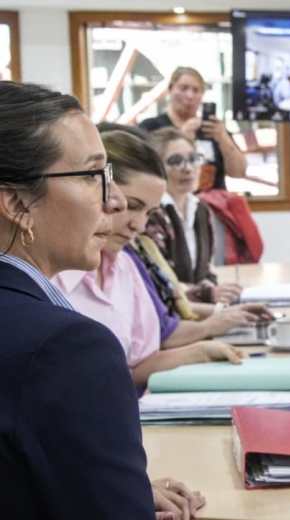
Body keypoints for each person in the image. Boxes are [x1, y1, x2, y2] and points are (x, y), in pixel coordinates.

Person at [0, 81, 201, 518]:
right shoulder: (66, 348)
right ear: (16, 202)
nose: (112, 202)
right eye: (93, 176)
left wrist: (102, 479)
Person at [52, 130, 250, 388]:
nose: (139, 225)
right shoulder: (50, 277)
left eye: (149, 213)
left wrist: (202, 351)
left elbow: (138, 366)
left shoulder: (125, 267)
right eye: (131, 206)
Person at [146, 127, 241, 304]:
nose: (188, 168)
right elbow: (158, 282)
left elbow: (207, 271)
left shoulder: (201, 209)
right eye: (175, 161)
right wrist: (207, 294)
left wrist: (215, 291)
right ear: (157, 167)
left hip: (200, 311)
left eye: (193, 159)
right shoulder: (152, 213)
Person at [139, 66, 247, 191]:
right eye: (183, 88)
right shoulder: (150, 127)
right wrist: (181, 137)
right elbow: (145, 171)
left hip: (212, 204)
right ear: (170, 89)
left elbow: (239, 172)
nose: (190, 95)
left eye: (196, 90)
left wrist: (223, 138)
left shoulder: (213, 129)